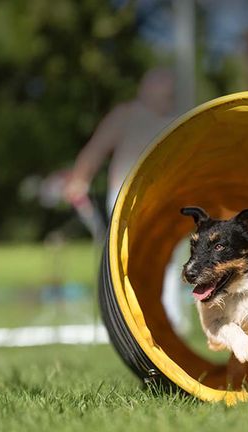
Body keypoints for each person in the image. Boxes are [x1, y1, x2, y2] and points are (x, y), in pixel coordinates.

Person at [64, 67, 190, 333]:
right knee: (129, 258)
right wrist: (79, 178)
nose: (164, 94)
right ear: (145, 90)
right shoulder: (126, 114)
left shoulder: (180, 119)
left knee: (169, 257)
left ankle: (169, 321)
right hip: (126, 195)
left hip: (168, 197)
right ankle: (131, 318)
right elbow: (97, 147)